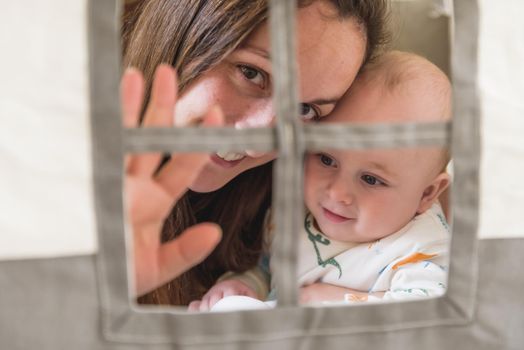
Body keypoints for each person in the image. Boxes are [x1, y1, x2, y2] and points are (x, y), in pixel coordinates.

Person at [121, 0, 391, 305]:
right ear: (180, 31)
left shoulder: (296, 200)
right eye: (251, 73)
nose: (257, 144)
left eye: (304, 109)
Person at [193, 51, 452, 310]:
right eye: (326, 159)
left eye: (371, 180)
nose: (337, 193)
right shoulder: (293, 211)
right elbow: (268, 271)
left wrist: (328, 300)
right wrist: (244, 285)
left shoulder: (420, 250)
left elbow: (428, 317)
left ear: (427, 194)